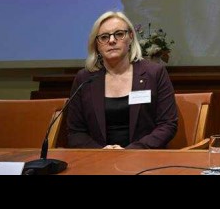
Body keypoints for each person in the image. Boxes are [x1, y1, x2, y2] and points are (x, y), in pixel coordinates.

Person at [67, 11, 178, 149]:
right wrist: (101, 152)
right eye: (104, 37)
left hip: (143, 156)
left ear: (131, 37)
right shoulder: (84, 79)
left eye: (119, 34)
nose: (112, 40)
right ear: (96, 44)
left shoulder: (154, 73)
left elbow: (167, 124)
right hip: (98, 158)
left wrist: (131, 151)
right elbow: (75, 132)